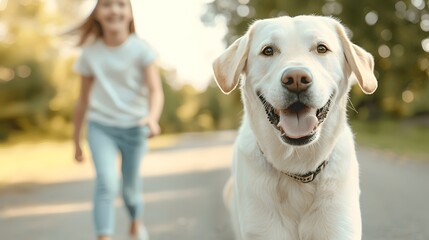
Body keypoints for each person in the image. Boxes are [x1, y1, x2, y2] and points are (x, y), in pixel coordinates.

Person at [72, 0, 164, 239]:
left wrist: (152, 118)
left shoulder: (142, 49)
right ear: (97, 14)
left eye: (121, 4)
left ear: (130, 13)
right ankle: (104, 236)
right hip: (101, 126)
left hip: (135, 128)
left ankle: (135, 221)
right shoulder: (90, 53)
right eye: (106, 4)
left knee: (130, 191)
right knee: (106, 183)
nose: (114, 10)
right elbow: (82, 100)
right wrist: (76, 141)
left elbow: (156, 90)